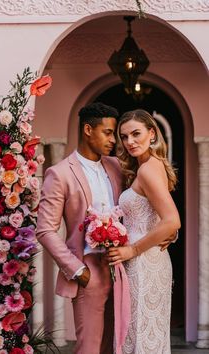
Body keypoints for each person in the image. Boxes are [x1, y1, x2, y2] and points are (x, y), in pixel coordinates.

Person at [36, 102, 122, 354]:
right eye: (107, 132)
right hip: (89, 271)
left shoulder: (116, 167)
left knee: (115, 345)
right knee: (89, 347)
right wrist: (78, 270)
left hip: (120, 268)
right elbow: (45, 229)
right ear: (87, 129)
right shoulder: (59, 173)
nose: (113, 140)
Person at [108, 109, 181, 354]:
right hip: (151, 258)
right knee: (145, 334)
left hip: (142, 261)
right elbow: (162, 219)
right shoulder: (154, 164)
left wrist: (132, 249)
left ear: (152, 134)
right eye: (124, 136)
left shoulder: (148, 169)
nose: (130, 142)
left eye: (136, 134)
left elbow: (172, 220)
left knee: (141, 335)